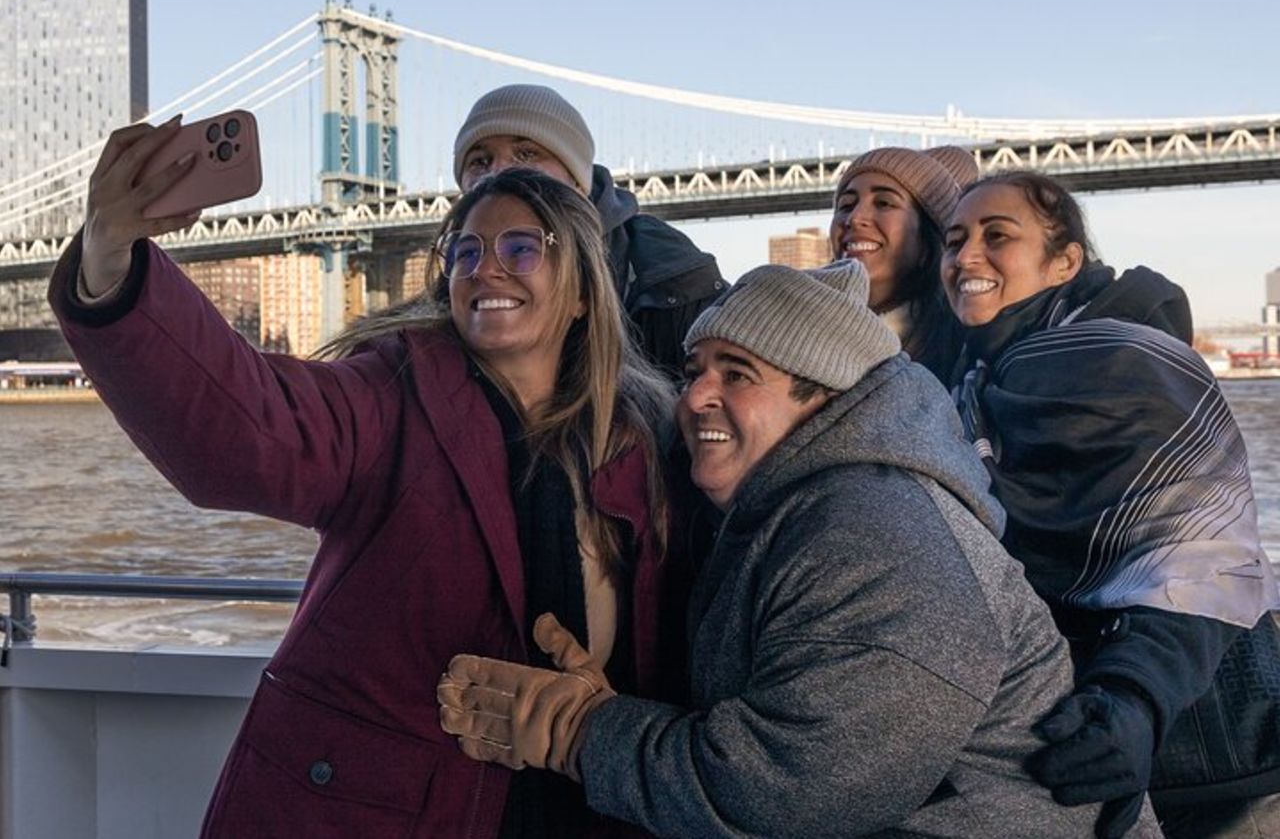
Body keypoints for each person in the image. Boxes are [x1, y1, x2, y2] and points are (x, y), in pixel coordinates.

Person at [49, 120, 688, 838]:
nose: (486, 269)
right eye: (466, 251)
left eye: (521, 248)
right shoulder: (391, 396)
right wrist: (111, 264)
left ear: (582, 293)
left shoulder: (642, 449)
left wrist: (606, 720)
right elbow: (246, 426)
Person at [438, 261, 1148, 837]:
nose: (694, 397)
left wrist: (580, 733)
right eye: (695, 370)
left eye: (736, 373)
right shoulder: (793, 508)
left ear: (821, 396)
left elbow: (792, 790)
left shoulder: (876, 533)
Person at [943, 170, 1280, 838]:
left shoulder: (1129, 361)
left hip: (1216, 752)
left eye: (997, 235)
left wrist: (1133, 699)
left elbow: (1199, 557)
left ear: (1065, 261)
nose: (966, 256)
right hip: (1083, 750)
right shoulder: (979, 380)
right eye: (953, 241)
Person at [454, 83, 727, 375]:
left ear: (577, 180)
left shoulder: (669, 272)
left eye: (526, 154)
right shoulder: (454, 281)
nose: (498, 172)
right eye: (479, 162)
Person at [828, 145, 977, 382]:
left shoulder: (967, 358)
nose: (855, 218)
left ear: (928, 240)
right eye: (846, 205)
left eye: (884, 203)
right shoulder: (796, 333)